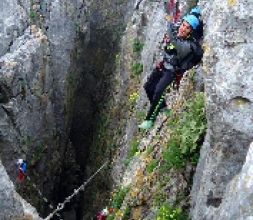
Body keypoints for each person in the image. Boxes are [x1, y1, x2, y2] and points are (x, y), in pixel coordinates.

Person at [138, 15, 202, 130]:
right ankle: (163, 107)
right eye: (183, 25)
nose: (183, 28)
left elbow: (173, 37)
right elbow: (174, 30)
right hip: (163, 65)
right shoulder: (178, 31)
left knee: (158, 92)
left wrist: (169, 22)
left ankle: (148, 120)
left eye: (187, 28)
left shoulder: (187, 46)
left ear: (190, 32)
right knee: (148, 87)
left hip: (172, 71)